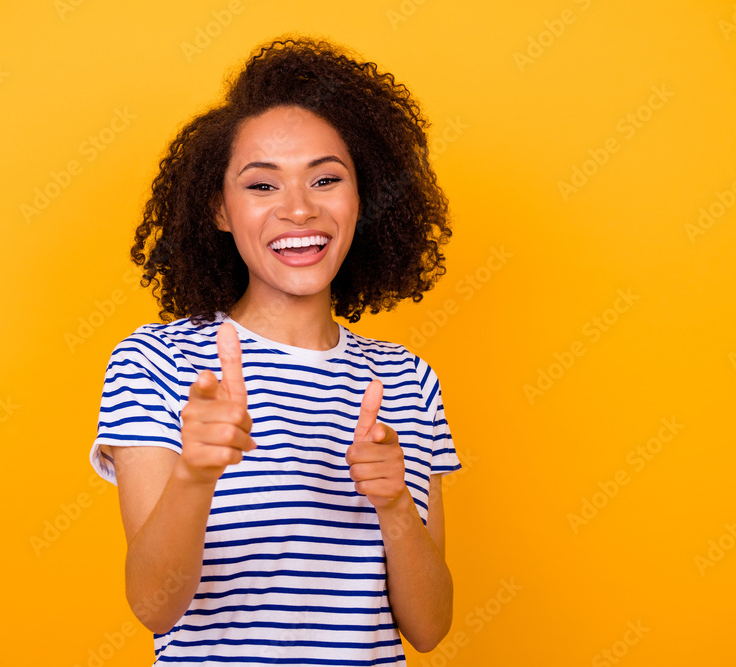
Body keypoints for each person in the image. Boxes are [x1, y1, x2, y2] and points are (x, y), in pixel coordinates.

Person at [89, 35, 461, 664]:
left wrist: (397, 506)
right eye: (262, 186)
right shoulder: (156, 363)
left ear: (361, 196)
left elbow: (429, 628)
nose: (299, 209)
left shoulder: (405, 378)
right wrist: (194, 475)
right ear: (220, 210)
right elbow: (154, 605)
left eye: (325, 179)